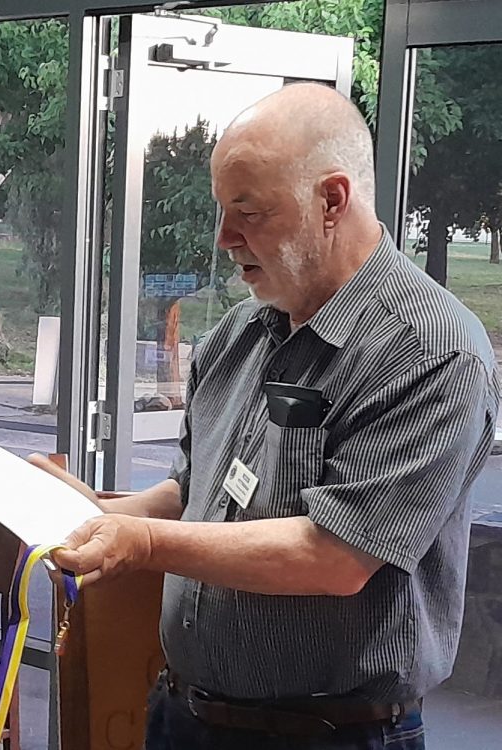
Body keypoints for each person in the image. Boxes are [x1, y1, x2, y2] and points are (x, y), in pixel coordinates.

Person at [48, 83, 500, 749]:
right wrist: (101, 516)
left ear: (332, 201)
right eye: (222, 211)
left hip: (329, 735)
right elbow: (194, 490)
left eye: (248, 212)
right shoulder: (240, 334)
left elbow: (337, 555)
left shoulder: (431, 351)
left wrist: (142, 545)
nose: (225, 238)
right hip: (183, 715)